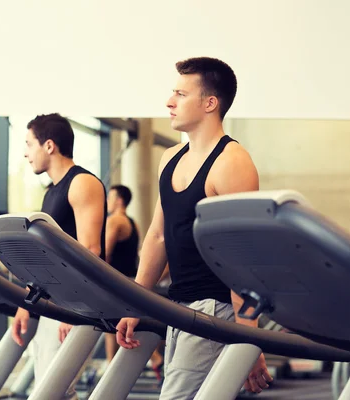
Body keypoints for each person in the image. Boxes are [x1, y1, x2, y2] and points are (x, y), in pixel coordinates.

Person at [115, 56, 273, 399]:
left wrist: (250, 340)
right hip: (179, 303)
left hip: (216, 308)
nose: (169, 102)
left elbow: (242, 258)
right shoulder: (170, 158)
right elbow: (157, 236)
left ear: (210, 103)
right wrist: (135, 302)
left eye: (180, 94)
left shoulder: (232, 162)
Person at [11, 113, 107, 400]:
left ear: (49, 145)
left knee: (53, 390)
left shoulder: (81, 183)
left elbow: (91, 251)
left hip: (75, 305)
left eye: (29, 144)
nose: (26, 153)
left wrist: (76, 310)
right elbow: (47, 259)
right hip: (56, 304)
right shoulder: (52, 192)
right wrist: (25, 304)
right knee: (49, 389)